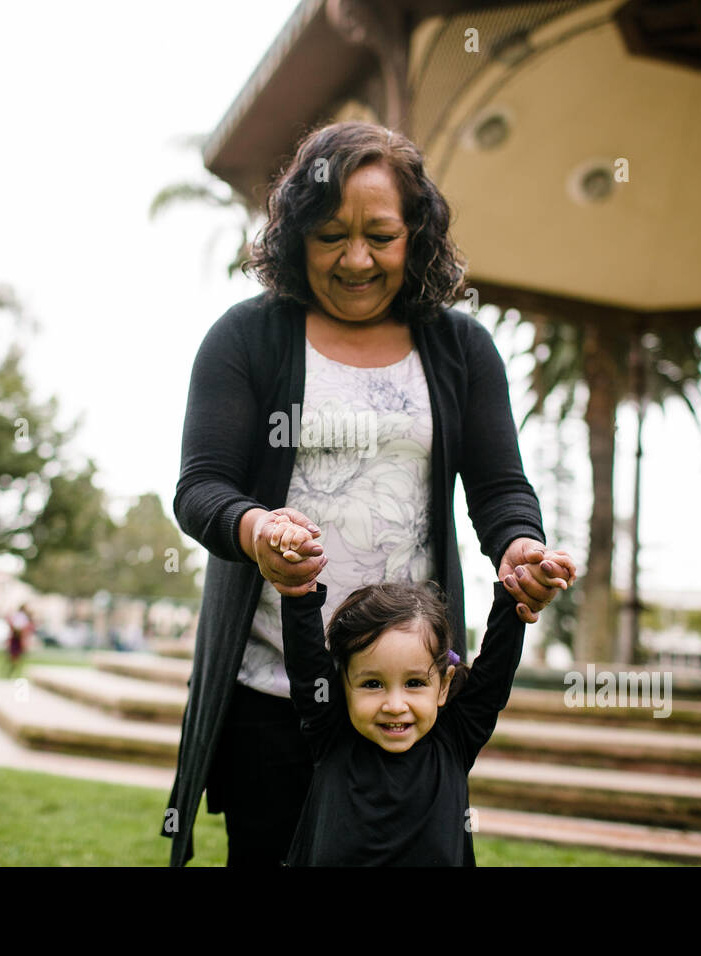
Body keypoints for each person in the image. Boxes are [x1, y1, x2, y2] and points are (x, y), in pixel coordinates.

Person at [163, 120, 577, 867]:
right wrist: (257, 531)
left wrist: (520, 546)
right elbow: (201, 488)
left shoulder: (461, 348)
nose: (356, 259)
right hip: (273, 697)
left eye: (380, 236)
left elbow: (500, 487)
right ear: (296, 236)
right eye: (330, 235)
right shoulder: (247, 339)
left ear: (416, 235)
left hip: (405, 700)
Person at [275, 511, 546, 864]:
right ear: (343, 684)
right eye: (372, 683)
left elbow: (493, 675)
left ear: (444, 686)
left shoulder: (455, 740)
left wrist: (518, 592)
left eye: (415, 683)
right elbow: (307, 661)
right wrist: (298, 586)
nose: (395, 704)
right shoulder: (332, 734)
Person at [4, 604, 33, 677]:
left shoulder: (17, 616)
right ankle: (13, 670)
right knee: (15, 656)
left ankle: (12, 670)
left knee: (15, 656)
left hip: (17, 636)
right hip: (17, 637)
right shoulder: (22, 617)